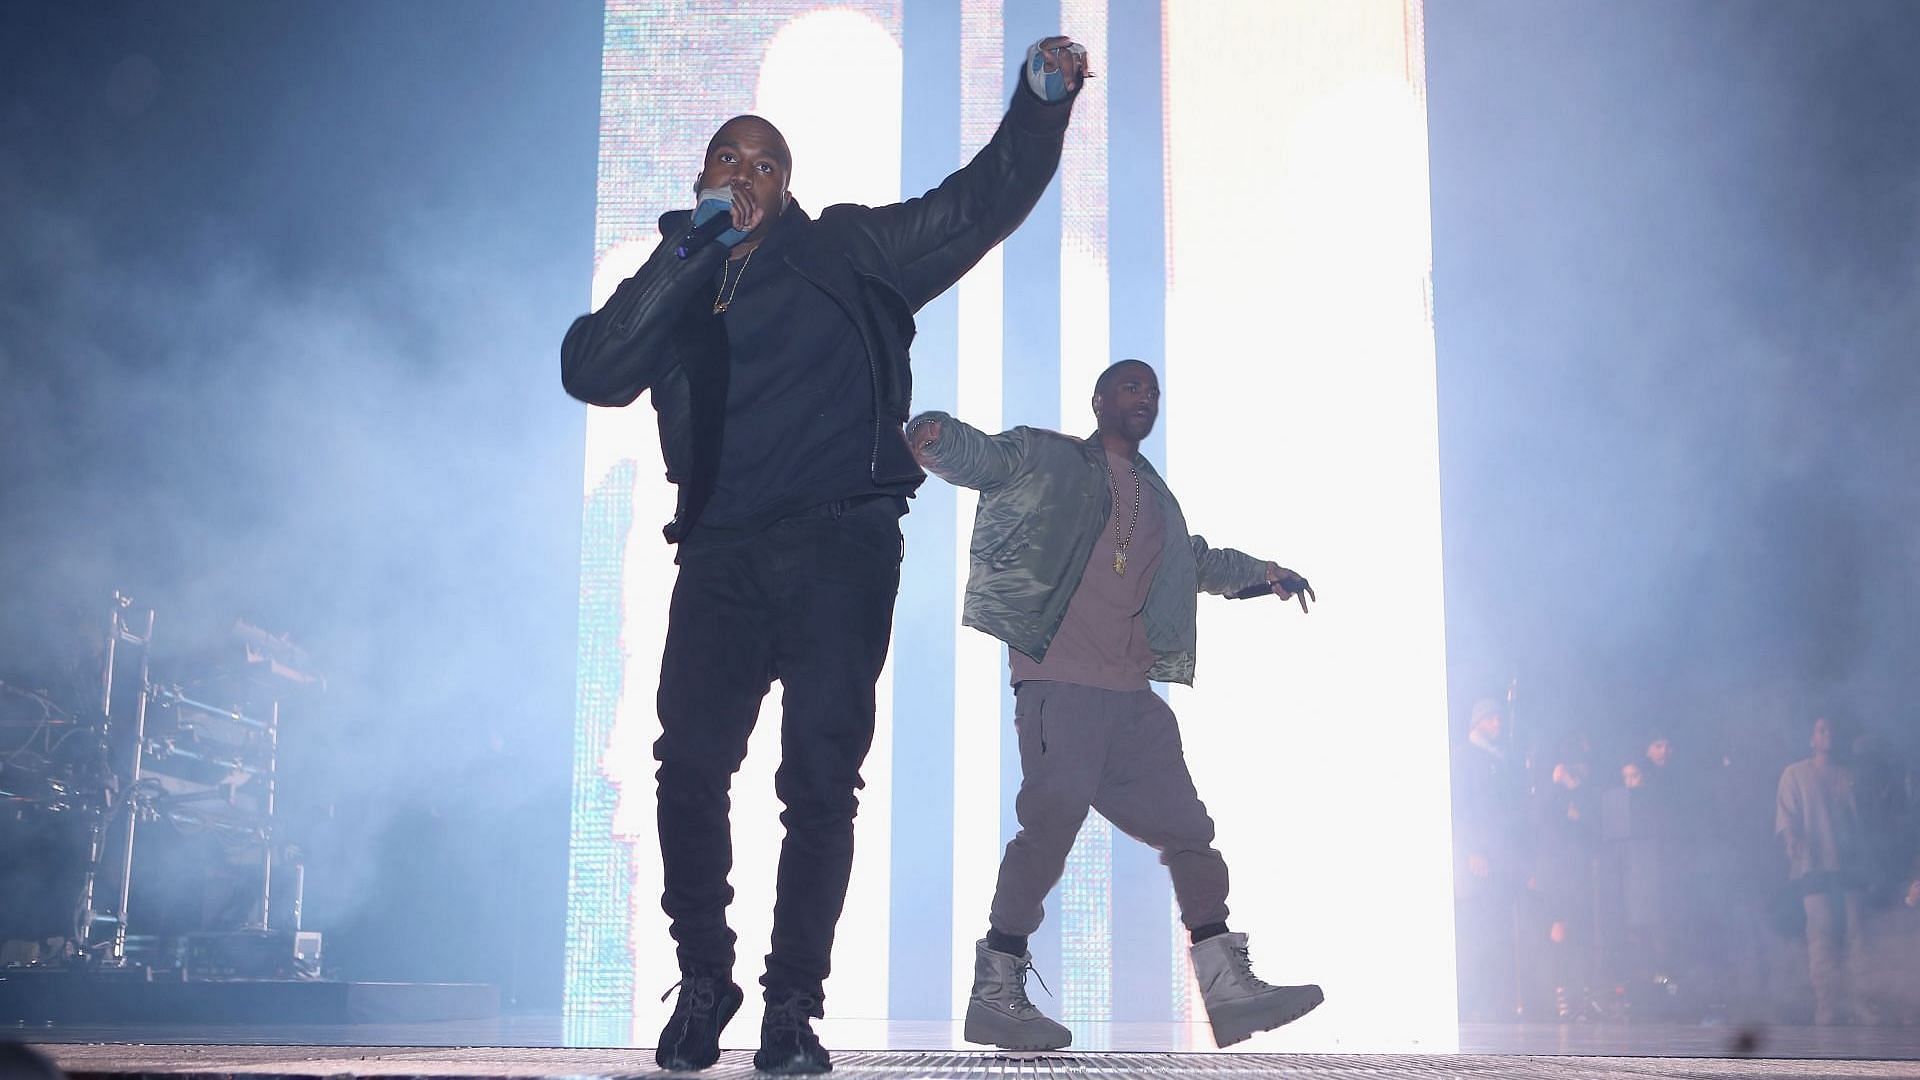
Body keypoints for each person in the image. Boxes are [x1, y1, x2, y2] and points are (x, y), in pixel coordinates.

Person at [558, 38, 1090, 1075]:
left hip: (840, 546)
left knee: (817, 783)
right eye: (727, 159)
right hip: (719, 553)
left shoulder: (847, 250)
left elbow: (978, 203)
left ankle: (793, 1005)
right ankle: (704, 979)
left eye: (763, 163)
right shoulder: (682, 279)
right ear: (703, 177)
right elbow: (593, 370)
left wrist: (1038, 108)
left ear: (789, 184)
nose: (744, 173)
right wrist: (683, 255)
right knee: (689, 766)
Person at [907, 358, 1324, 1051]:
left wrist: (1264, 576)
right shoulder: (1051, 461)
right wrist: (937, 438)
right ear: (1099, 400)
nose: (1144, 397)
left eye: (1153, 390)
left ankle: (1229, 992)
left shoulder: (1158, 503)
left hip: (1132, 701)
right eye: (1130, 386)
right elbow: (989, 458)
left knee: (1189, 831)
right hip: (1062, 685)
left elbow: (1198, 562)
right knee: (1050, 828)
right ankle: (996, 992)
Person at [1775, 715, 1870, 1025]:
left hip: (1848, 865)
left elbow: (1858, 820)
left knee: (1856, 933)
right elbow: (1786, 815)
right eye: (1821, 730)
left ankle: (1860, 1001)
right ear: (1811, 738)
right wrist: (1792, 840)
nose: (1828, 735)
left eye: (1832, 730)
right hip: (1813, 864)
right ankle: (1826, 1005)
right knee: (1821, 933)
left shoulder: (1848, 775)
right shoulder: (1795, 773)